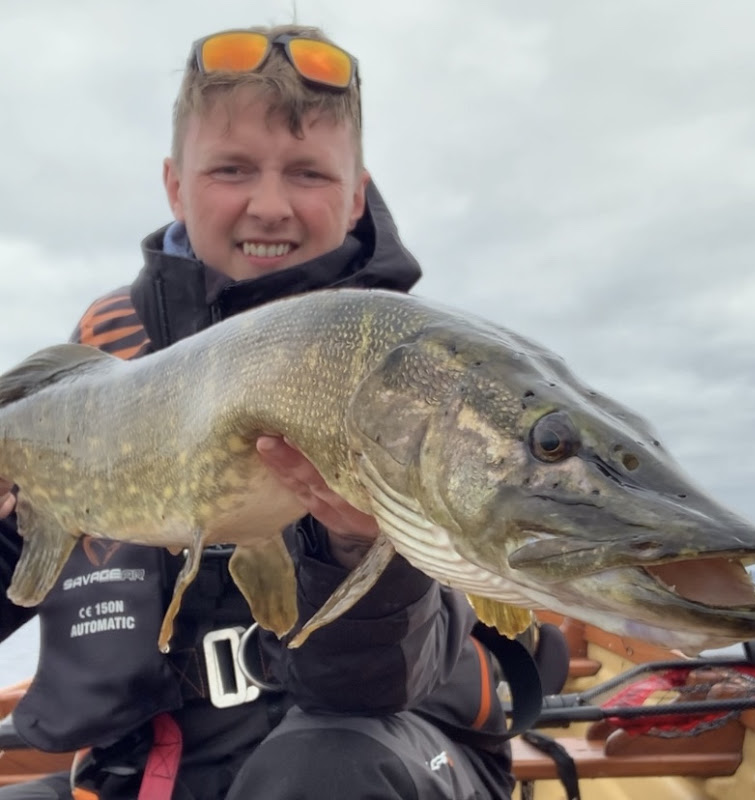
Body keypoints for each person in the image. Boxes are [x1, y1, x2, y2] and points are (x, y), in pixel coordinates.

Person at [0, 23, 525, 800]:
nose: (270, 205)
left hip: (387, 752)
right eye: (233, 168)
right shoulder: (98, 363)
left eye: (308, 173)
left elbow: (371, 687)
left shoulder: (424, 378)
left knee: (327, 768)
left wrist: (354, 551)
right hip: (157, 768)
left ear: (356, 197)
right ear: (177, 185)